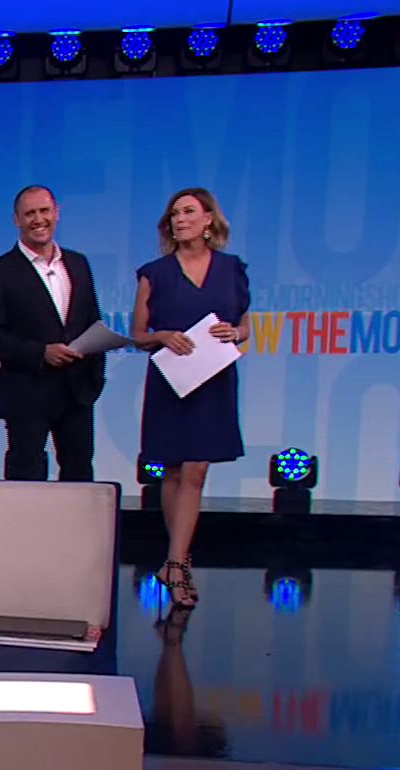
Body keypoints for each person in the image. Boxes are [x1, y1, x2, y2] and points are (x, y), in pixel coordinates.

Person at [131, 188, 250, 609]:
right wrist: (162, 336)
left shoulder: (232, 269)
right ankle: (177, 560)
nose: (180, 220)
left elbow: (245, 324)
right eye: (174, 214)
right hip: (172, 381)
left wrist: (237, 333)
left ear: (208, 220)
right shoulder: (154, 274)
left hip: (214, 381)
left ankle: (176, 563)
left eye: (188, 212)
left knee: (197, 470)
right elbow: (138, 334)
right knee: (174, 472)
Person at [0, 185, 109, 481]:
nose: (38, 219)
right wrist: (41, 352)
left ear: (57, 213)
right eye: (29, 213)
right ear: (16, 220)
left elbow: (92, 321)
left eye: (44, 211)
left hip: (77, 393)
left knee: (79, 476)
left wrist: (95, 380)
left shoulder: (78, 264)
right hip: (27, 392)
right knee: (27, 476)